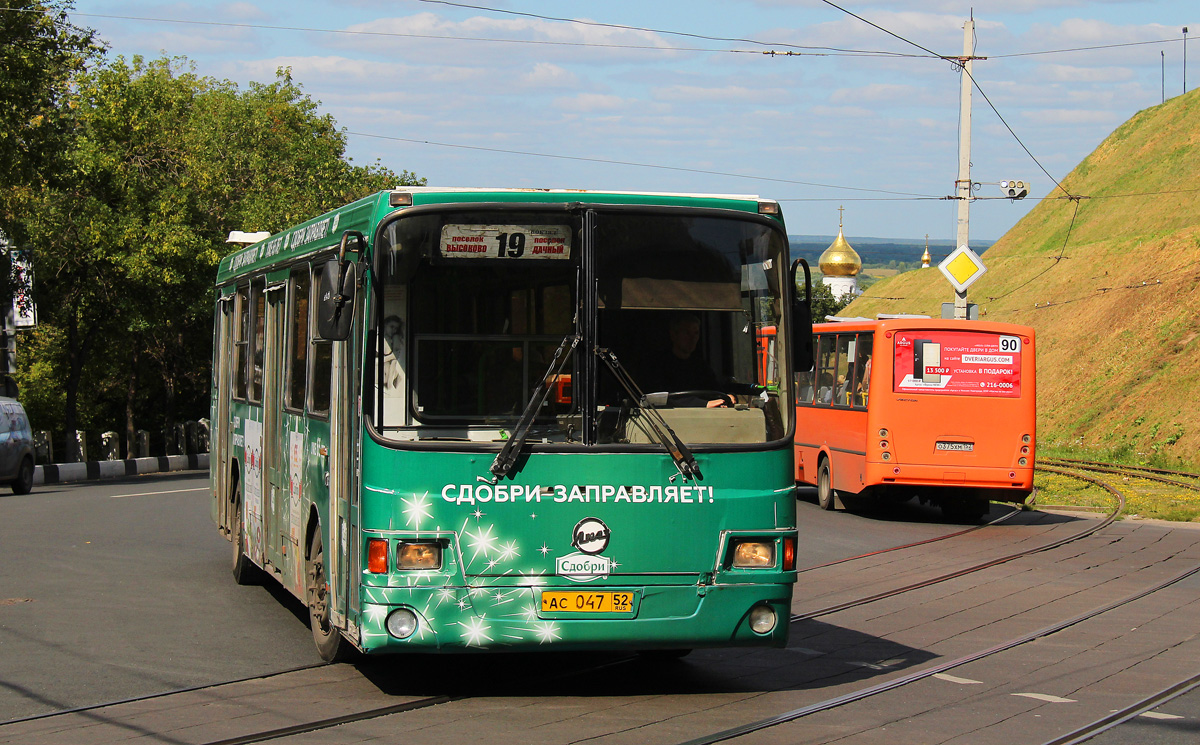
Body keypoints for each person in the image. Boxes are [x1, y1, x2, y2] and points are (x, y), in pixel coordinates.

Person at [653, 313, 728, 408]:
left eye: (696, 333)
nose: (692, 338)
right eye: (687, 333)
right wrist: (704, 404)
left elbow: (714, 389)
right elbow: (664, 399)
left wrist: (727, 397)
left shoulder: (700, 366)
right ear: (673, 335)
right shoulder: (659, 365)